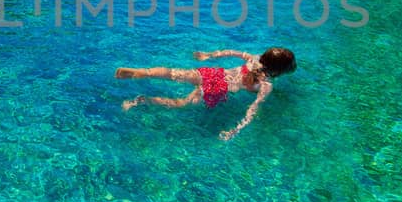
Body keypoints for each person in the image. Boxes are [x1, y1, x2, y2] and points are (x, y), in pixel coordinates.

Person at [115, 46, 297, 141]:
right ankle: (141, 100)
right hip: (217, 88)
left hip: (213, 73)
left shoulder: (253, 58)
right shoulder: (266, 85)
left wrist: (208, 55)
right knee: (181, 103)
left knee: (173, 73)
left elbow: (232, 52)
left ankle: (145, 72)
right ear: (279, 71)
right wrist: (236, 129)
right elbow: (253, 108)